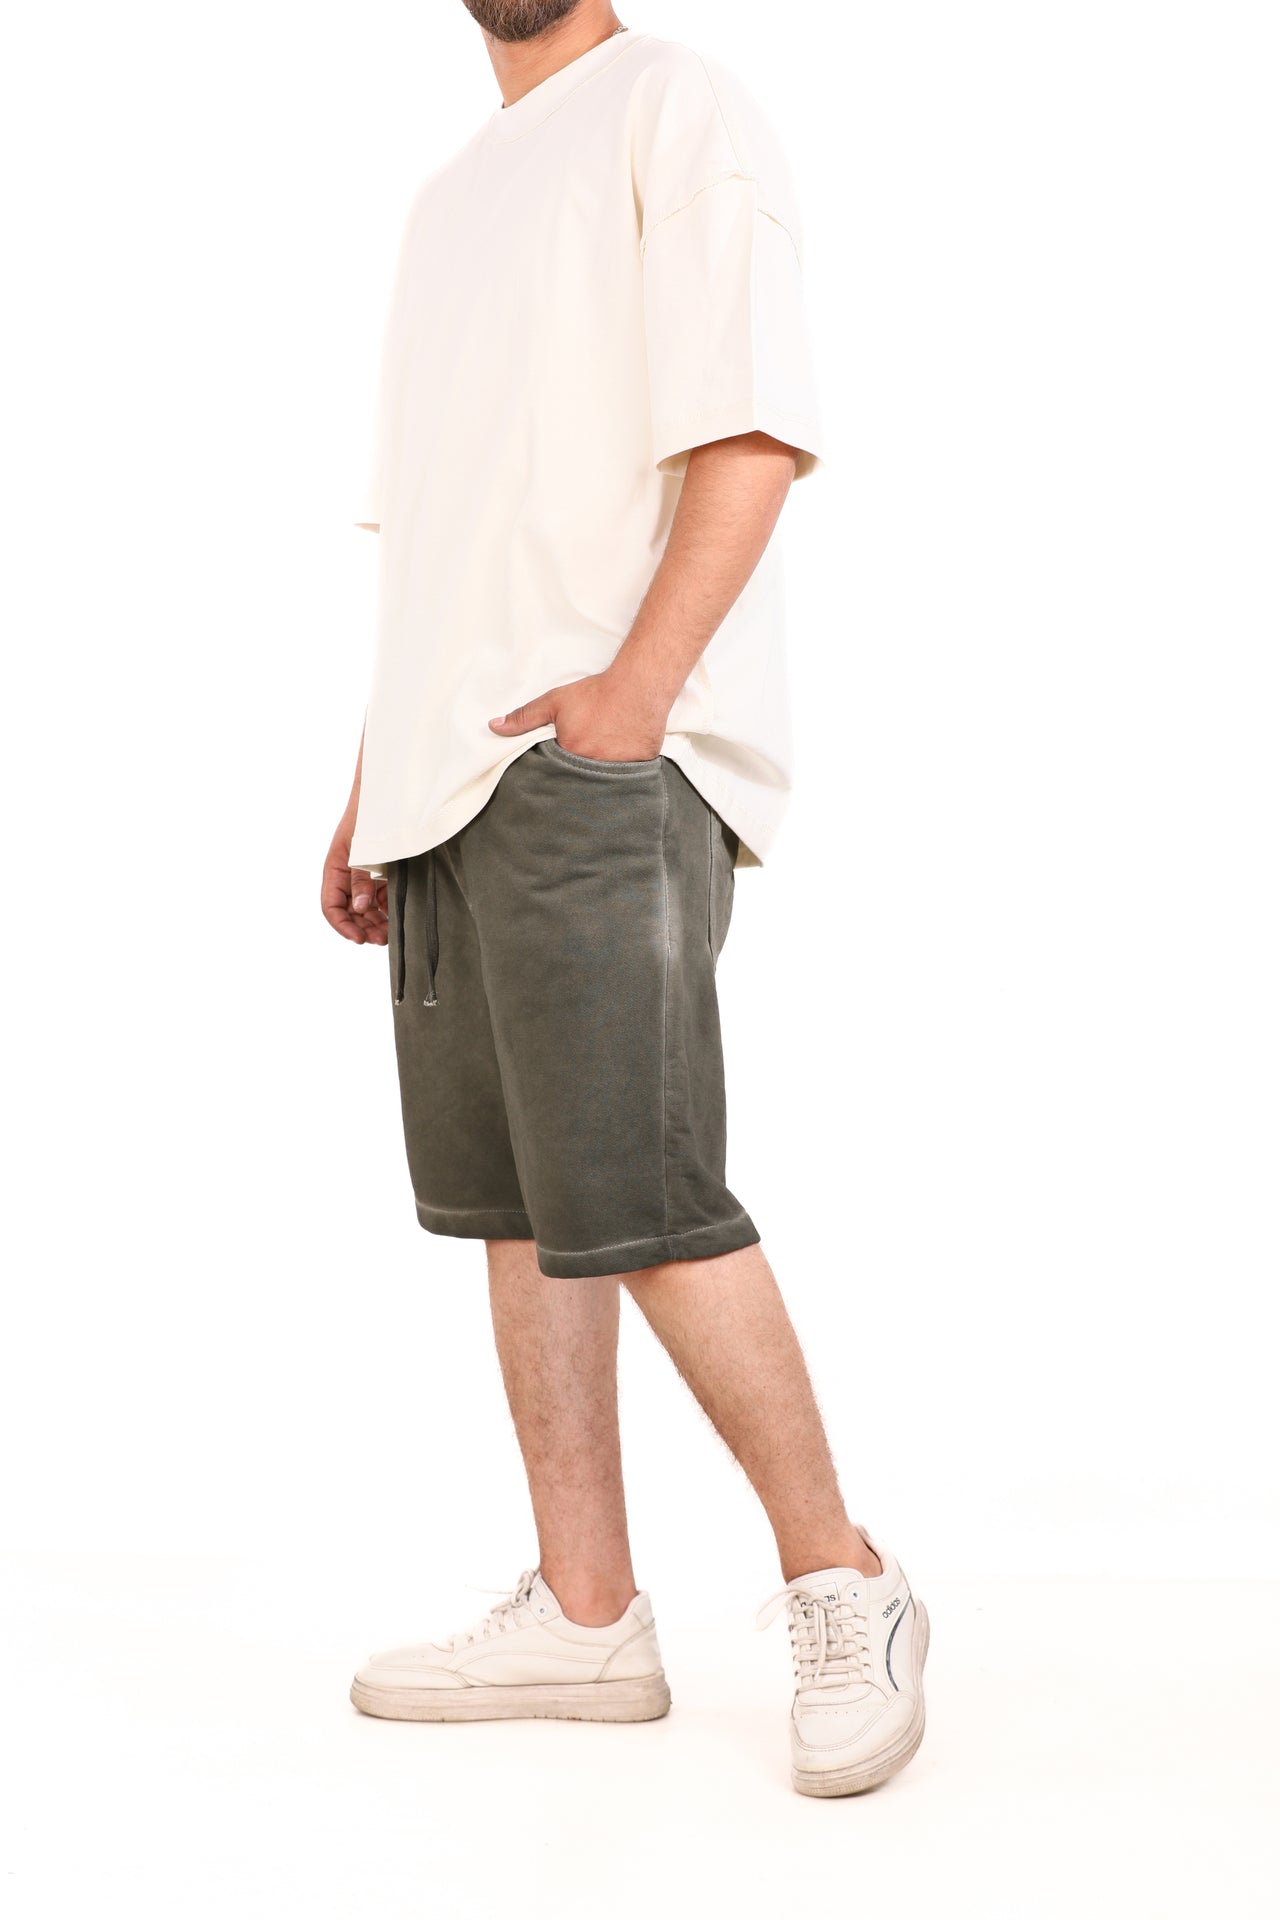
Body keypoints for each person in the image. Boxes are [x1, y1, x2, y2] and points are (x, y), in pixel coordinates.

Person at [321, 0, 928, 1798]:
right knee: (519, 1208)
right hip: (447, 781)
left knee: (641, 1195)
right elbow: (436, 538)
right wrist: (372, 781)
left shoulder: (675, 109)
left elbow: (751, 436)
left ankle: (846, 1580)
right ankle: (588, 1613)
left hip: (593, 762)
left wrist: (634, 700)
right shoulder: (450, 199)